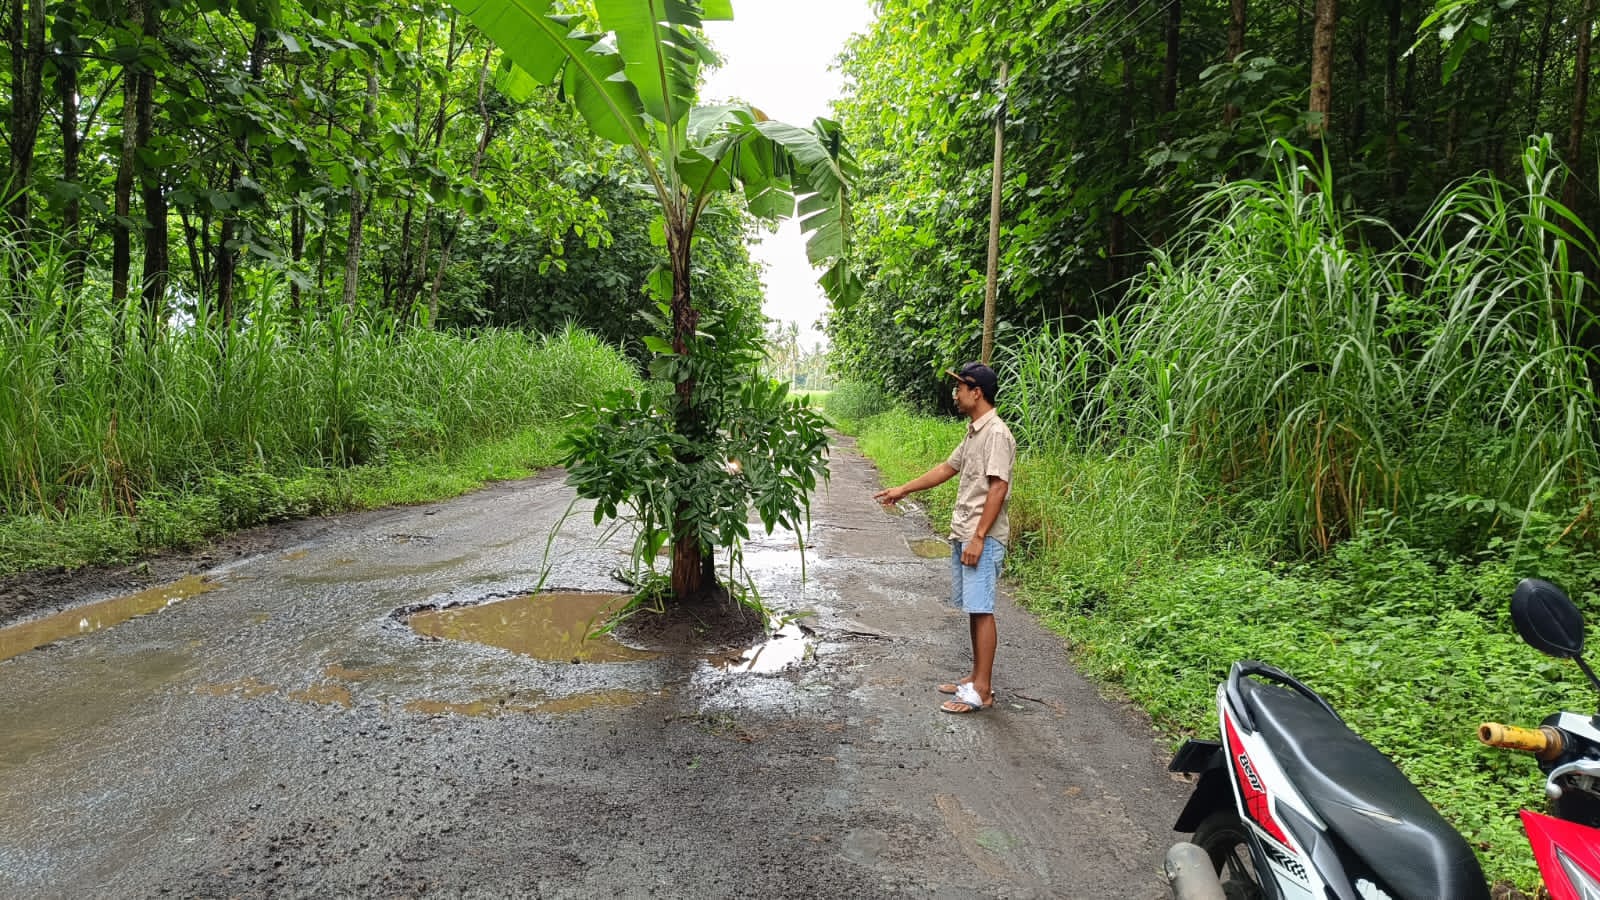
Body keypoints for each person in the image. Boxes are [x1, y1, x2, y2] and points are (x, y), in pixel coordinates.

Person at [873, 362, 1016, 714]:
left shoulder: (997, 434)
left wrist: (979, 537)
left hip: (981, 535)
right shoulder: (975, 432)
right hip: (967, 531)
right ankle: (976, 677)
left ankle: (982, 690)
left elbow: (998, 488)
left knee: (982, 609)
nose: (955, 394)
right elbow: (946, 468)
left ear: (976, 392)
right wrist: (903, 489)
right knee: (974, 607)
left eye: (960, 388)